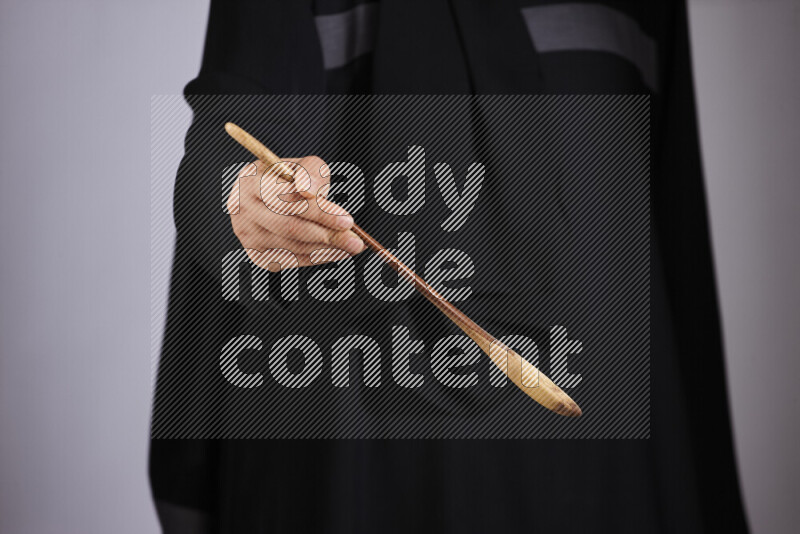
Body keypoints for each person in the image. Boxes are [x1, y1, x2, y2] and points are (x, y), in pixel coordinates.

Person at [150, 1, 749, 532]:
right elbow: (229, 135)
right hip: (348, 439)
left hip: (598, 457)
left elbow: (669, 224)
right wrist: (243, 197)